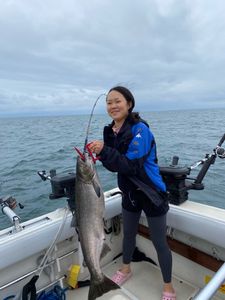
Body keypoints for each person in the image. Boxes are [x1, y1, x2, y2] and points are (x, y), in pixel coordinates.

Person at [89, 86, 176, 300]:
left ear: (129, 104)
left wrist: (105, 151)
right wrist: (101, 154)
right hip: (129, 193)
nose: (113, 106)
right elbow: (113, 165)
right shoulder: (109, 131)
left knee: (159, 241)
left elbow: (132, 166)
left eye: (117, 101)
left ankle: (168, 287)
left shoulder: (140, 130)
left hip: (151, 192)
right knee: (128, 234)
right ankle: (126, 269)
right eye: (109, 102)